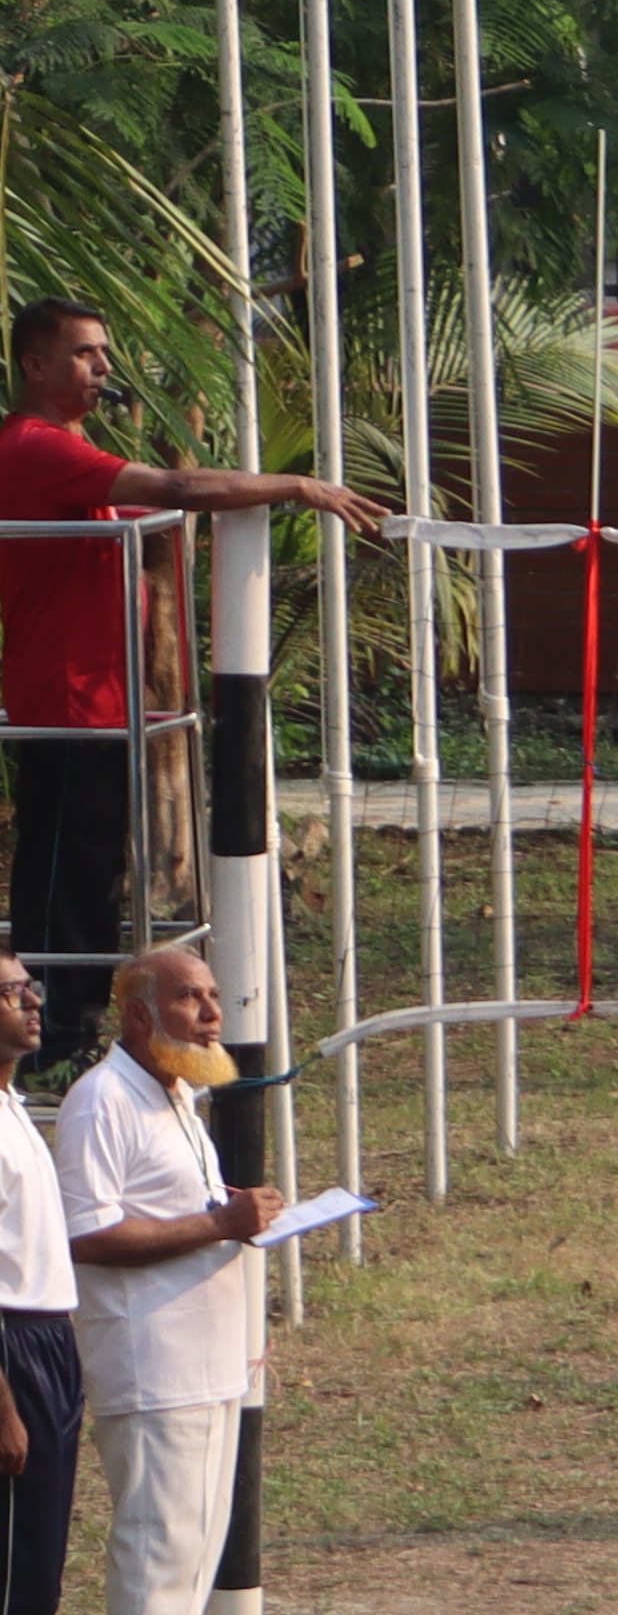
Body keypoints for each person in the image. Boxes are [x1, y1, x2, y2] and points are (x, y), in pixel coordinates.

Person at [0, 304, 378, 1069]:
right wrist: (295, 485)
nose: (103, 366)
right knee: (63, 879)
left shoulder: (69, 448)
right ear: (36, 367)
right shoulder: (32, 446)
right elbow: (177, 484)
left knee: (94, 872)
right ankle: (47, 1041)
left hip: (106, 704)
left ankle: (67, 1031)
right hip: (68, 702)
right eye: (83, 353)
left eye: (103, 350)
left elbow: (143, 503)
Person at [63, 944, 272, 1615]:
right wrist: (220, 1227)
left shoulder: (177, 1093)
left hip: (209, 1359)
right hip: (151, 1363)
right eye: (192, 998)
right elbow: (87, 1233)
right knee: (160, 1547)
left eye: (216, 994)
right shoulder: (100, 1101)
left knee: (194, 1547)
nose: (213, 1012)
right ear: (139, 1014)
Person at [0, 955, 97, 1615]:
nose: (33, 1001)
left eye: (32, 987)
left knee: (37, 1579)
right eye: (10, 991)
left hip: (46, 1340)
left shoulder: (15, 1110)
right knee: (8, 1584)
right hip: (8, 1348)